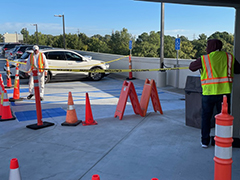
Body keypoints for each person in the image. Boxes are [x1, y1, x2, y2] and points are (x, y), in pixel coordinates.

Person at [189, 39, 240, 148]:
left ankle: (205, 141)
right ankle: (223, 139)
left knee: (206, 118)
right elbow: (238, 70)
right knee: (224, 118)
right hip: (225, 94)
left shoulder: (204, 59)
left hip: (208, 93)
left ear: (210, 47)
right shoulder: (229, 57)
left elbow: (191, 67)